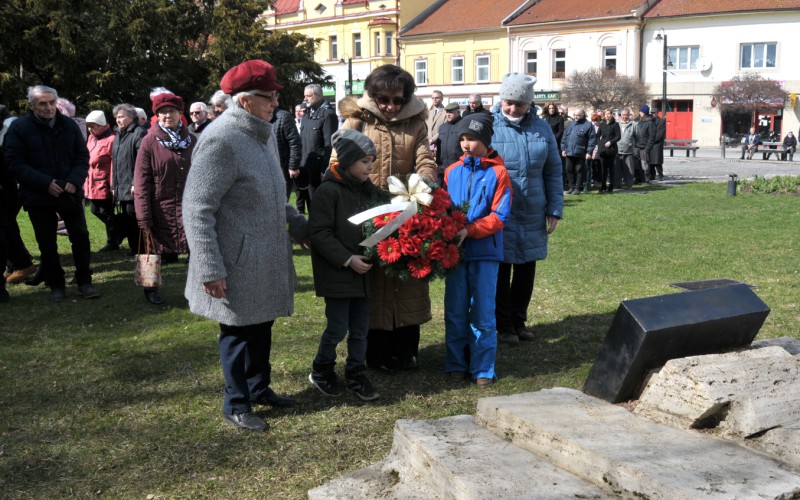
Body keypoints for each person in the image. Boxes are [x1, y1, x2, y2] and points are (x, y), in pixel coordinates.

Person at [183, 59, 308, 432]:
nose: (274, 103)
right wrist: (209, 268)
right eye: (267, 97)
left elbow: (272, 194)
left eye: (275, 96)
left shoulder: (263, 133)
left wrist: (299, 224)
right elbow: (196, 207)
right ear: (243, 100)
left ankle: (258, 388)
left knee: (261, 323)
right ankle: (236, 403)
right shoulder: (221, 139)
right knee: (237, 332)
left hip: (264, 254)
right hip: (234, 260)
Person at [333, 64, 438, 373]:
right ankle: (376, 353)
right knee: (374, 285)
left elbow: (425, 159)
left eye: (397, 99)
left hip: (406, 213)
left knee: (407, 281)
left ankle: (407, 351)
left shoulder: (417, 123)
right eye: (384, 100)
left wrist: (425, 184)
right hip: (366, 217)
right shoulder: (356, 120)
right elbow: (338, 162)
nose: (391, 106)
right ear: (373, 96)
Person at [308, 129, 385, 401]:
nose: (370, 167)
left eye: (371, 161)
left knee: (361, 330)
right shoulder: (328, 192)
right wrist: (347, 259)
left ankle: (356, 373)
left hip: (363, 275)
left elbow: (387, 208)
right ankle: (322, 369)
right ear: (349, 161)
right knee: (338, 327)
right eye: (365, 161)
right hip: (338, 274)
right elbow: (318, 233)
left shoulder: (368, 190)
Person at [4, 85, 99, 302]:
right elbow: (14, 162)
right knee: (46, 242)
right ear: (31, 105)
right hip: (38, 194)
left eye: (52, 103)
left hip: (69, 192)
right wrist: (45, 183)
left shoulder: (70, 125)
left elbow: (81, 156)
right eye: (42, 103)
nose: (48, 107)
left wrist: (74, 181)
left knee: (81, 237)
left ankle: (85, 281)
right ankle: (56, 283)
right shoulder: (20, 128)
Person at [491, 73, 563, 346]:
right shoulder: (490, 127)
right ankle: (503, 324)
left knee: (526, 269)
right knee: (501, 267)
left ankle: (519, 321)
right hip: (501, 210)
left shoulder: (541, 128)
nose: (513, 109)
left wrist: (554, 208)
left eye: (519, 104)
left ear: (529, 104)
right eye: (509, 102)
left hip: (533, 208)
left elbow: (553, 171)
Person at [443, 113, 511, 387]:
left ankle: (483, 368)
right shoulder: (451, 172)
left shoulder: (499, 173)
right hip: (456, 255)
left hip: (485, 253)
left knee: (483, 312)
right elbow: (444, 208)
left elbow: (499, 215)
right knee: (455, 310)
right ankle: (456, 363)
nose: (465, 144)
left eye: (471, 139)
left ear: (485, 141)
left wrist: (469, 230)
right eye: (462, 139)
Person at [134, 92, 193, 305]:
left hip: (188, 205)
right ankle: (150, 289)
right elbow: (141, 181)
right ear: (157, 115)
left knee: (196, 247)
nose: (168, 115)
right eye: (163, 112)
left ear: (180, 113)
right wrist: (143, 215)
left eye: (172, 111)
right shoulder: (149, 142)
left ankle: (198, 288)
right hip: (158, 205)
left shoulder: (191, 140)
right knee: (151, 247)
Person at [0, 105, 37, 285]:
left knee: (6, 228)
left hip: (11, 187)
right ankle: (18, 263)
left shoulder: (11, 127)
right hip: (10, 187)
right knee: (8, 227)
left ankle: (21, 264)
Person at [111, 104, 147, 255]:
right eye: (117, 117)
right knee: (126, 218)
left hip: (133, 185)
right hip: (121, 184)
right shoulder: (118, 134)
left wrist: (135, 183)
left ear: (131, 118)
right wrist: (114, 185)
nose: (118, 120)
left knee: (134, 218)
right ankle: (134, 248)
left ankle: (142, 248)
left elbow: (141, 160)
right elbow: (116, 161)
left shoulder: (138, 133)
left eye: (121, 117)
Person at [84, 110, 120, 251]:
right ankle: (120, 231)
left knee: (106, 212)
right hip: (92, 181)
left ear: (101, 125)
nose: (90, 129)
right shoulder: (92, 138)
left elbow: (114, 163)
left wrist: (113, 184)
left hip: (104, 182)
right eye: (89, 126)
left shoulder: (111, 140)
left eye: (93, 126)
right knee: (94, 210)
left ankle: (113, 240)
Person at [299, 84, 338, 212]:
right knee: (306, 203)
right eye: (304, 96)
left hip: (318, 168)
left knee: (318, 206)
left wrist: (324, 168)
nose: (305, 99)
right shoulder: (306, 114)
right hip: (304, 165)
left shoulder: (328, 115)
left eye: (308, 96)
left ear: (319, 96)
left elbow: (329, 144)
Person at [270, 105, 302, 201]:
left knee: (281, 202)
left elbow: (294, 142)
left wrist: (293, 166)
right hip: (266, 168)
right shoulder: (258, 117)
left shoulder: (283, 117)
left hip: (281, 167)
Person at [561, 109, 595, 195]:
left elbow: (592, 139)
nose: (576, 117)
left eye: (578, 115)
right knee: (568, 169)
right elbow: (565, 136)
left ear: (583, 115)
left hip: (581, 152)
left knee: (579, 170)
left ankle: (578, 188)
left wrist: (589, 152)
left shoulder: (588, 125)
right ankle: (571, 187)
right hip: (569, 151)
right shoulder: (571, 124)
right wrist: (563, 148)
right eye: (575, 115)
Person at [436, 102, 464, 174]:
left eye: (451, 112)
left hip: (459, 166)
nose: (448, 115)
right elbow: (439, 148)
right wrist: (439, 163)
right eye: (447, 112)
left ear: (458, 112)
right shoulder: (442, 127)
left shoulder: (463, 125)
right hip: (444, 167)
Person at [597, 109, 621, 193]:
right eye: (606, 114)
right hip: (603, 149)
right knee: (603, 168)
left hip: (611, 149)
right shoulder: (602, 124)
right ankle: (603, 185)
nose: (607, 116)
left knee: (611, 168)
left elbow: (618, 136)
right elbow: (598, 136)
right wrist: (599, 144)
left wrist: (611, 142)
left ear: (611, 115)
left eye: (609, 114)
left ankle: (611, 186)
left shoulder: (615, 124)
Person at [633, 105, 656, 182]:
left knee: (644, 163)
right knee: (636, 162)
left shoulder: (650, 122)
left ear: (645, 113)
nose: (640, 113)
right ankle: (638, 177)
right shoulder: (640, 121)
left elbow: (652, 137)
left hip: (645, 146)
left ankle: (647, 178)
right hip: (637, 145)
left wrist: (647, 148)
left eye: (641, 111)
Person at [616, 108, 636, 189]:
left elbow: (638, 137)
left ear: (629, 115)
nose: (625, 117)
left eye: (626, 115)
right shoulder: (617, 124)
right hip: (617, 151)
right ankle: (617, 184)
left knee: (629, 170)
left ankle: (629, 185)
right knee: (617, 169)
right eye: (623, 115)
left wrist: (633, 146)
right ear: (621, 115)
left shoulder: (633, 124)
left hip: (629, 151)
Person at [650, 108, 666, 180]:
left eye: (654, 113)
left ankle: (660, 175)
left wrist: (652, 140)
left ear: (657, 113)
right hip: (650, 144)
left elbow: (661, 134)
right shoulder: (650, 121)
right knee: (651, 162)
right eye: (652, 113)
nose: (653, 114)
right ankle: (652, 175)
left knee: (657, 161)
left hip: (657, 144)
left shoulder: (661, 121)